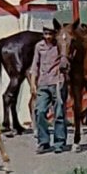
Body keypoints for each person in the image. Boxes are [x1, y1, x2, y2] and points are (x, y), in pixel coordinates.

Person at [29, 24, 68, 154]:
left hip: (57, 82)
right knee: (40, 111)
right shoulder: (39, 46)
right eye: (45, 34)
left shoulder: (59, 46)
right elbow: (35, 65)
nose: (48, 37)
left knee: (59, 113)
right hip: (43, 83)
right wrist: (33, 83)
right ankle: (44, 141)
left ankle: (59, 142)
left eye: (50, 34)